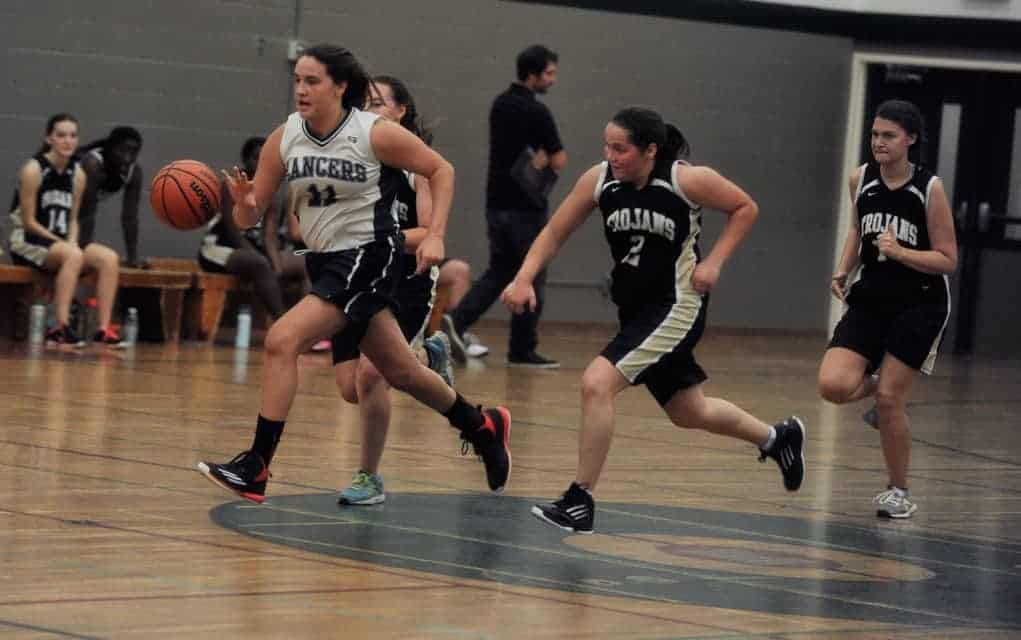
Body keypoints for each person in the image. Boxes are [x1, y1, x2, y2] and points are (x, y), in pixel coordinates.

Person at [196, 45, 510, 504]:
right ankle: (482, 426)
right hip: (324, 261)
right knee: (399, 370)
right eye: (298, 80)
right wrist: (243, 204)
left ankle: (257, 465)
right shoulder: (284, 137)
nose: (301, 89)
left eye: (312, 81)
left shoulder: (373, 133)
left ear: (341, 86)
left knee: (282, 339)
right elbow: (249, 218)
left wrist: (436, 234)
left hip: (369, 256)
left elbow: (441, 169)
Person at [502, 107, 805, 533]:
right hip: (636, 311)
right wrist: (523, 278)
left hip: (677, 305)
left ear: (650, 150)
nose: (611, 156)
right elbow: (554, 232)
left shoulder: (685, 180)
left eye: (620, 148)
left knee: (596, 382)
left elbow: (745, 207)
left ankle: (579, 499)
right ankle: (777, 438)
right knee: (688, 410)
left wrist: (714, 261)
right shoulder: (600, 180)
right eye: (607, 146)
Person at [818, 99, 956, 519]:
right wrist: (844, 269)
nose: (878, 142)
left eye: (889, 135)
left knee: (892, 400)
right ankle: (879, 379)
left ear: (910, 139)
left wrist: (902, 252)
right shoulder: (859, 179)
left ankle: (898, 491)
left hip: (920, 301)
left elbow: (948, 259)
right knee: (833, 386)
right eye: (875, 134)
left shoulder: (928, 188)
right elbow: (858, 230)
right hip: (872, 296)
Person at [332, 74, 456, 505]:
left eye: (379, 103)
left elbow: (425, 232)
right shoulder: (349, 158)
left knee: (372, 374)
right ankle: (428, 355)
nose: (369, 110)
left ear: (401, 111)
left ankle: (369, 478)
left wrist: (374, 238)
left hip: (407, 275)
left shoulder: (416, 161)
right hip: (357, 277)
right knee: (352, 388)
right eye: (363, 102)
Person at [442, 44, 566, 367]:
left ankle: (457, 319)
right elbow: (559, 159)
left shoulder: (499, 105)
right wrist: (541, 159)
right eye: (549, 73)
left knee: (500, 270)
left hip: (495, 203)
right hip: (526, 207)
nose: (553, 80)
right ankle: (522, 349)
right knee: (531, 271)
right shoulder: (538, 112)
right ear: (533, 74)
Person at [8, 113, 125, 346]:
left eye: (73, 136)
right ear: (49, 139)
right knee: (73, 255)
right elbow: (29, 221)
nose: (68, 141)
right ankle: (59, 327)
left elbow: (73, 219)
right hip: (28, 240)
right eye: (61, 135)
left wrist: (71, 240)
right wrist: (64, 245)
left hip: (60, 245)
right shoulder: (34, 169)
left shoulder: (78, 174)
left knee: (109, 258)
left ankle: (102, 329)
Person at [199, 136, 311, 325]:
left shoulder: (271, 191)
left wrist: (276, 266)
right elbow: (232, 230)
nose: (259, 163)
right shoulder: (231, 185)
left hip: (253, 251)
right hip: (220, 248)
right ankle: (284, 325)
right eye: (254, 158)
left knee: (309, 262)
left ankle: (308, 324)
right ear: (245, 160)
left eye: (263, 158)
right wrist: (265, 263)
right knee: (259, 263)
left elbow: (269, 237)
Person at [78, 126, 146, 267]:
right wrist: (83, 253)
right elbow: (87, 214)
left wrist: (132, 258)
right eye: (122, 151)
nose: (127, 158)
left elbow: (130, 218)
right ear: (110, 148)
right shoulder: (92, 164)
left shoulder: (134, 172)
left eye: (133, 153)